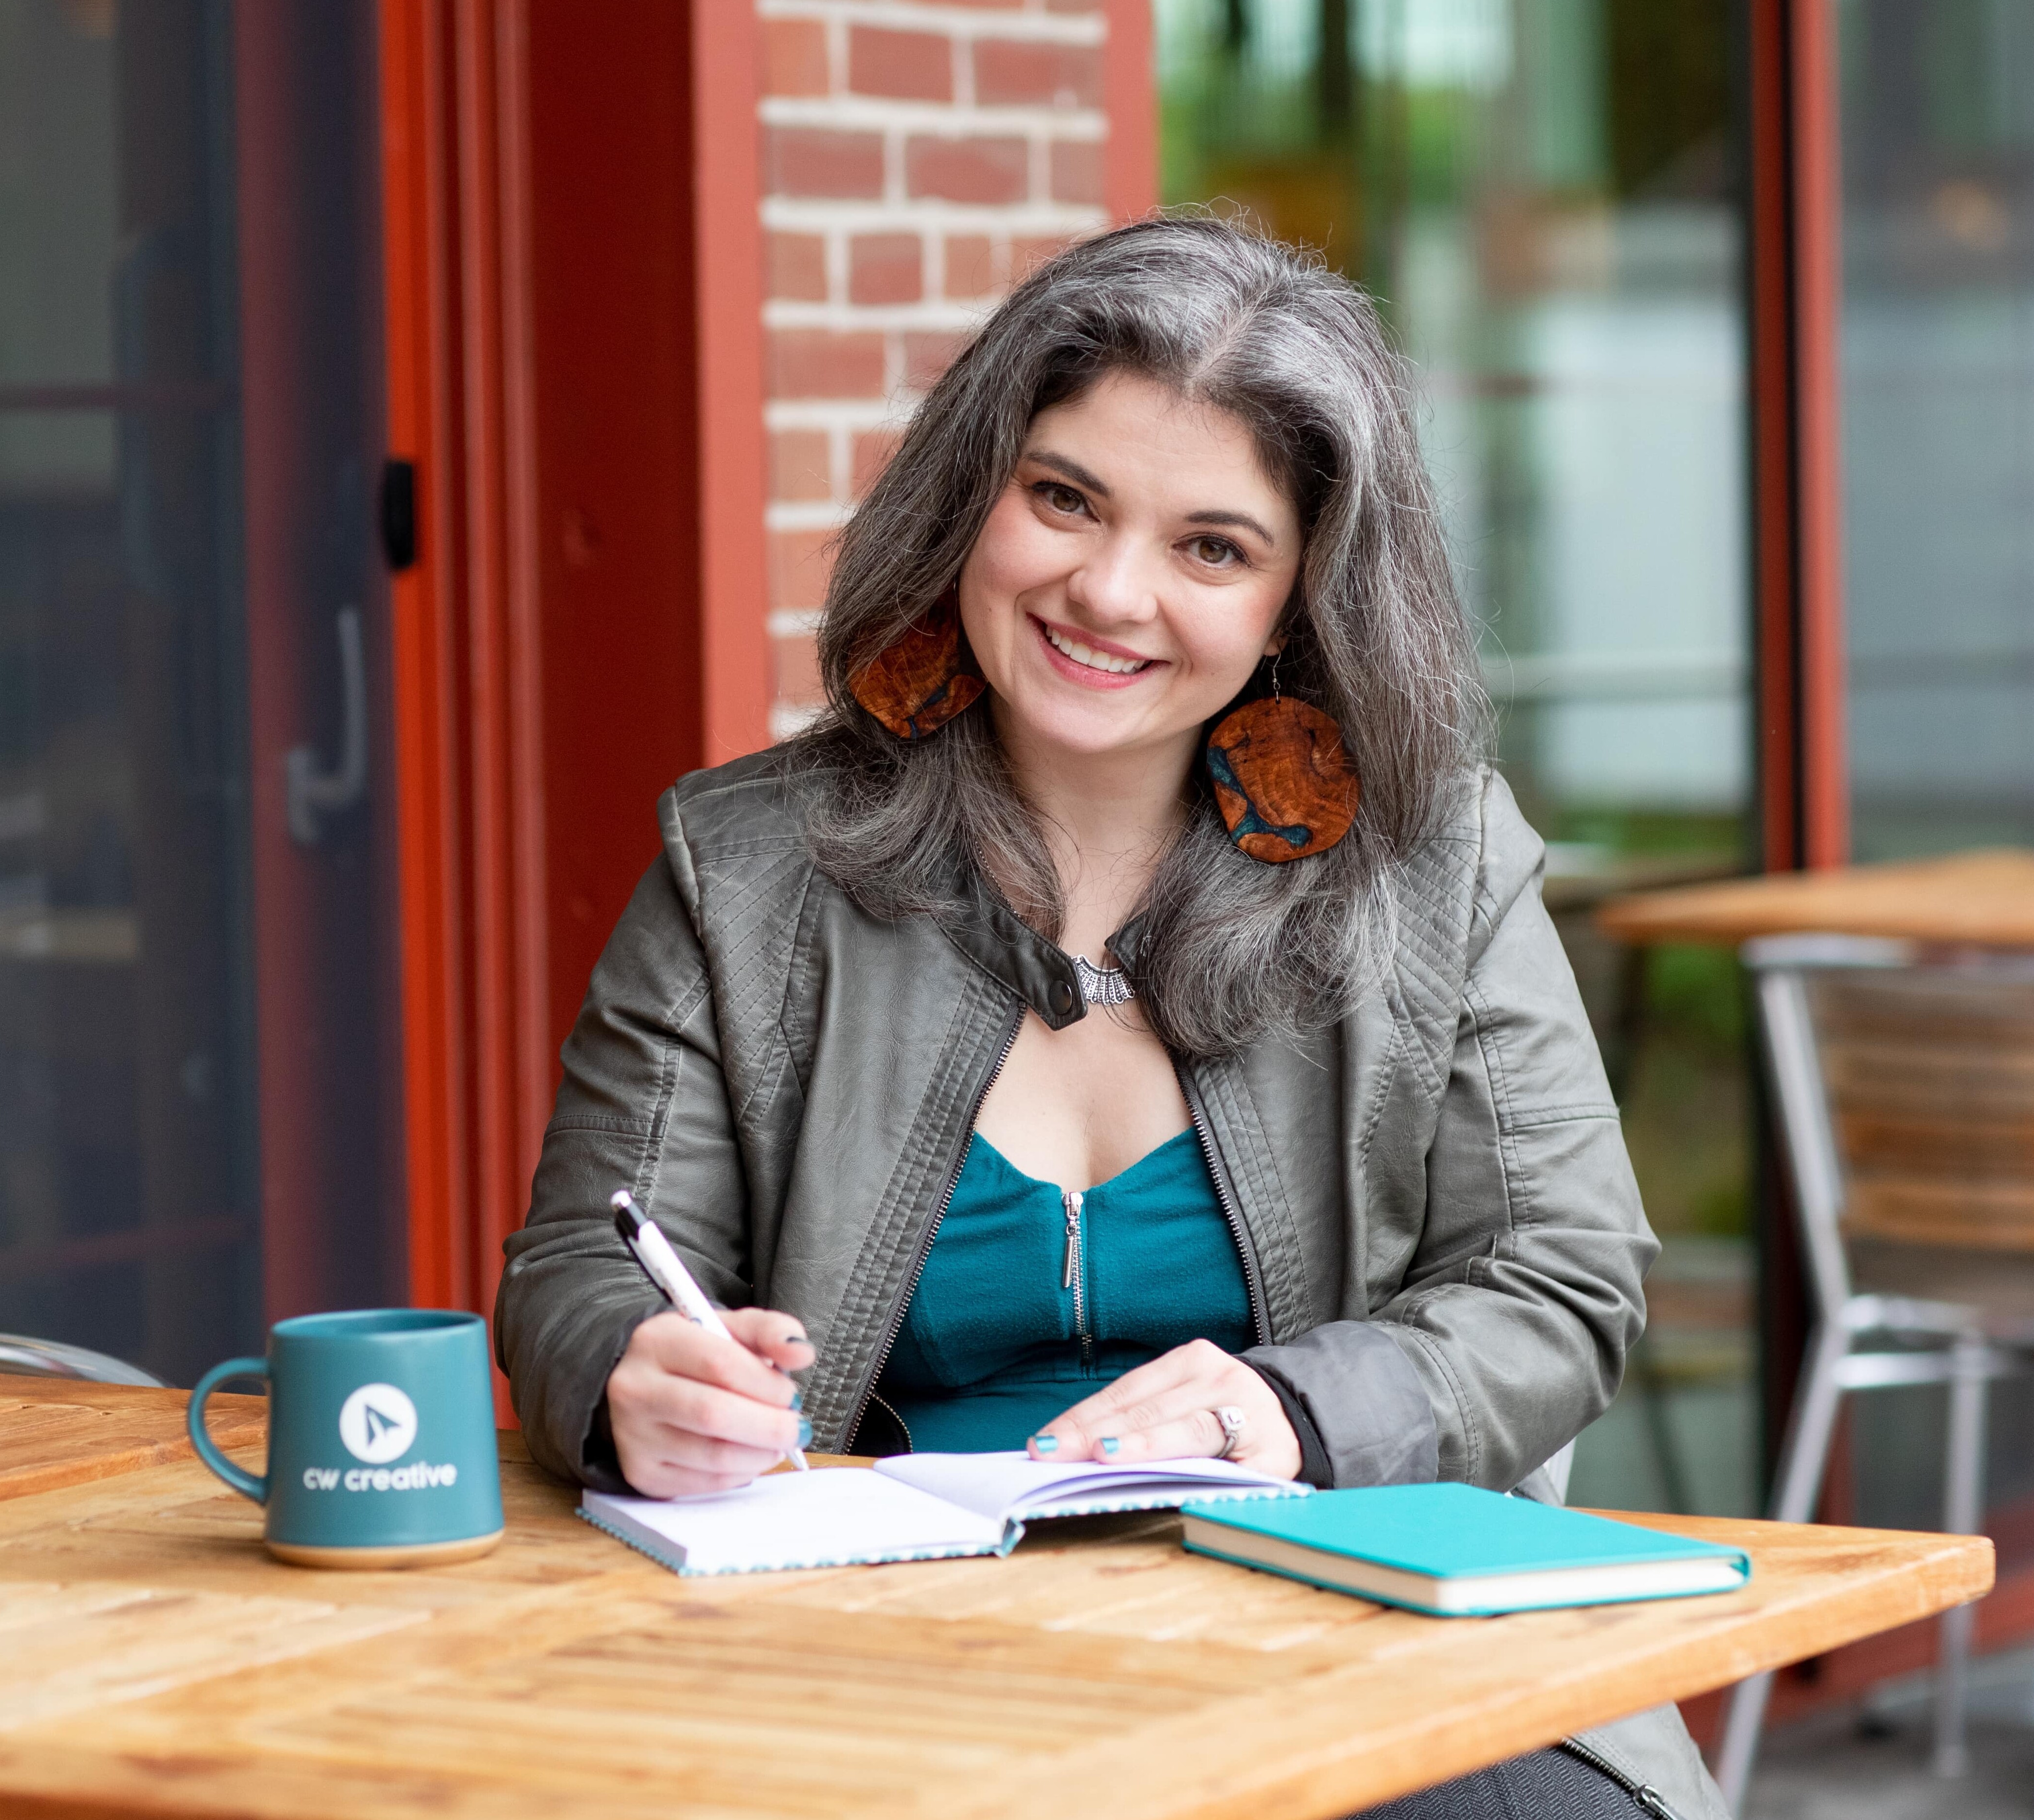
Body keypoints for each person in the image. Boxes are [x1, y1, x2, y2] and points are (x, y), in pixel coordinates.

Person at [495, 217, 1725, 1820]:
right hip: (870, 1664)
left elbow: (1560, 1282)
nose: (1109, 590)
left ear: (1295, 599)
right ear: (973, 497)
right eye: (1063, 498)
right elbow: (582, 1267)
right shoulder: (747, 868)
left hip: (1364, 1652)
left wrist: (1285, 1409)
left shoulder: (1436, 866)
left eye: (1213, 547)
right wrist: (629, 1379)